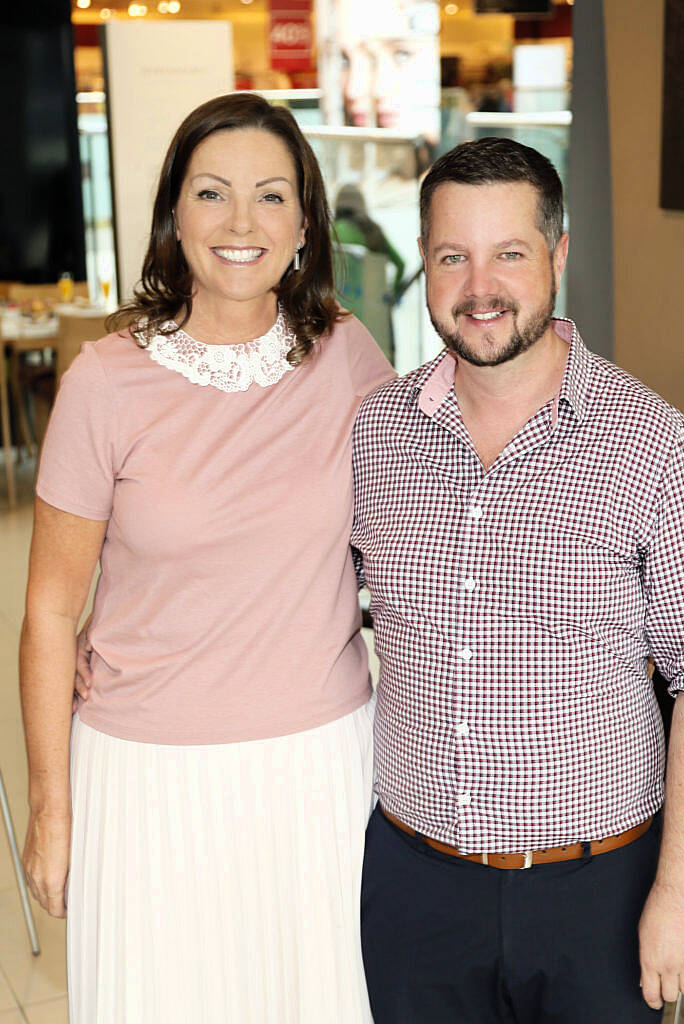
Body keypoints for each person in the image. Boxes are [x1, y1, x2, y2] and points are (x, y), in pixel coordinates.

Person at [351, 137, 684, 1022]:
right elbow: (304, 595)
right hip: (415, 891)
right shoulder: (376, 432)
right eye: (453, 255)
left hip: (597, 895)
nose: (478, 286)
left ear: (558, 256)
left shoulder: (650, 442)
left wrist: (680, 894)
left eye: (509, 253)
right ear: (422, 259)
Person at [21, 92, 393, 1023]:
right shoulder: (103, 383)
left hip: (317, 773)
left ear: (304, 221)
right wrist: (53, 810)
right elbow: (47, 613)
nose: (240, 222)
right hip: (147, 783)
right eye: (212, 193)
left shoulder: (349, 357)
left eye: (270, 197)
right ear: (173, 215)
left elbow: (425, 519)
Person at [334, 184, 406, 297]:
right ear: (361, 205)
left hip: (336, 303)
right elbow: (401, 264)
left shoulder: (328, 232)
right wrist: (394, 293)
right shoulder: (373, 232)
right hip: (371, 304)